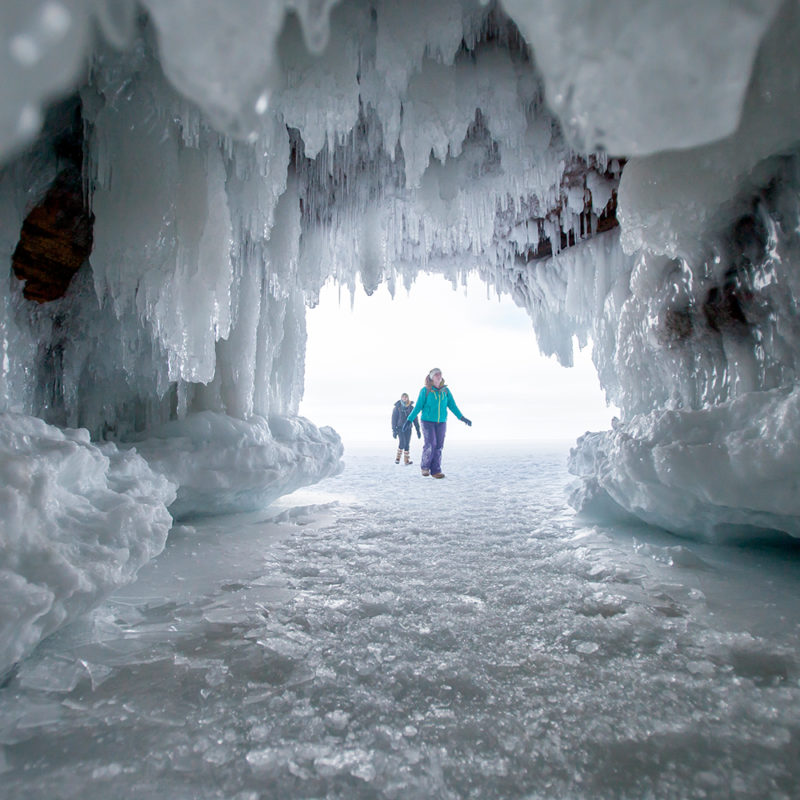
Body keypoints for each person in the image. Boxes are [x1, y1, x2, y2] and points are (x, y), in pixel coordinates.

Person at [403, 367, 471, 478]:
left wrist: (462, 418)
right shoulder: (425, 390)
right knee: (431, 443)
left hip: (441, 422)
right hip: (427, 421)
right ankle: (425, 467)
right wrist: (409, 420)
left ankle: (435, 471)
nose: (439, 376)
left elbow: (452, 406)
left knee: (439, 445)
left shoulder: (446, 391)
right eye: (436, 374)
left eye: (440, 374)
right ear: (431, 377)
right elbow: (418, 407)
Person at [392, 392, 421, 464]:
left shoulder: (411, 408)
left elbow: (415, 419)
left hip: (408, 428)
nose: (404, 398)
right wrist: (394, 430)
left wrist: (418, 430)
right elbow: (394, 419)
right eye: (403, 397)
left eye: (406, 397)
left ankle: (406, 460)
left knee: (407, 444)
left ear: (408, 398)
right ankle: (398, 458)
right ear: (401, 398)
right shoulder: (397, 407)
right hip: (400, 428)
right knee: (402, 442)